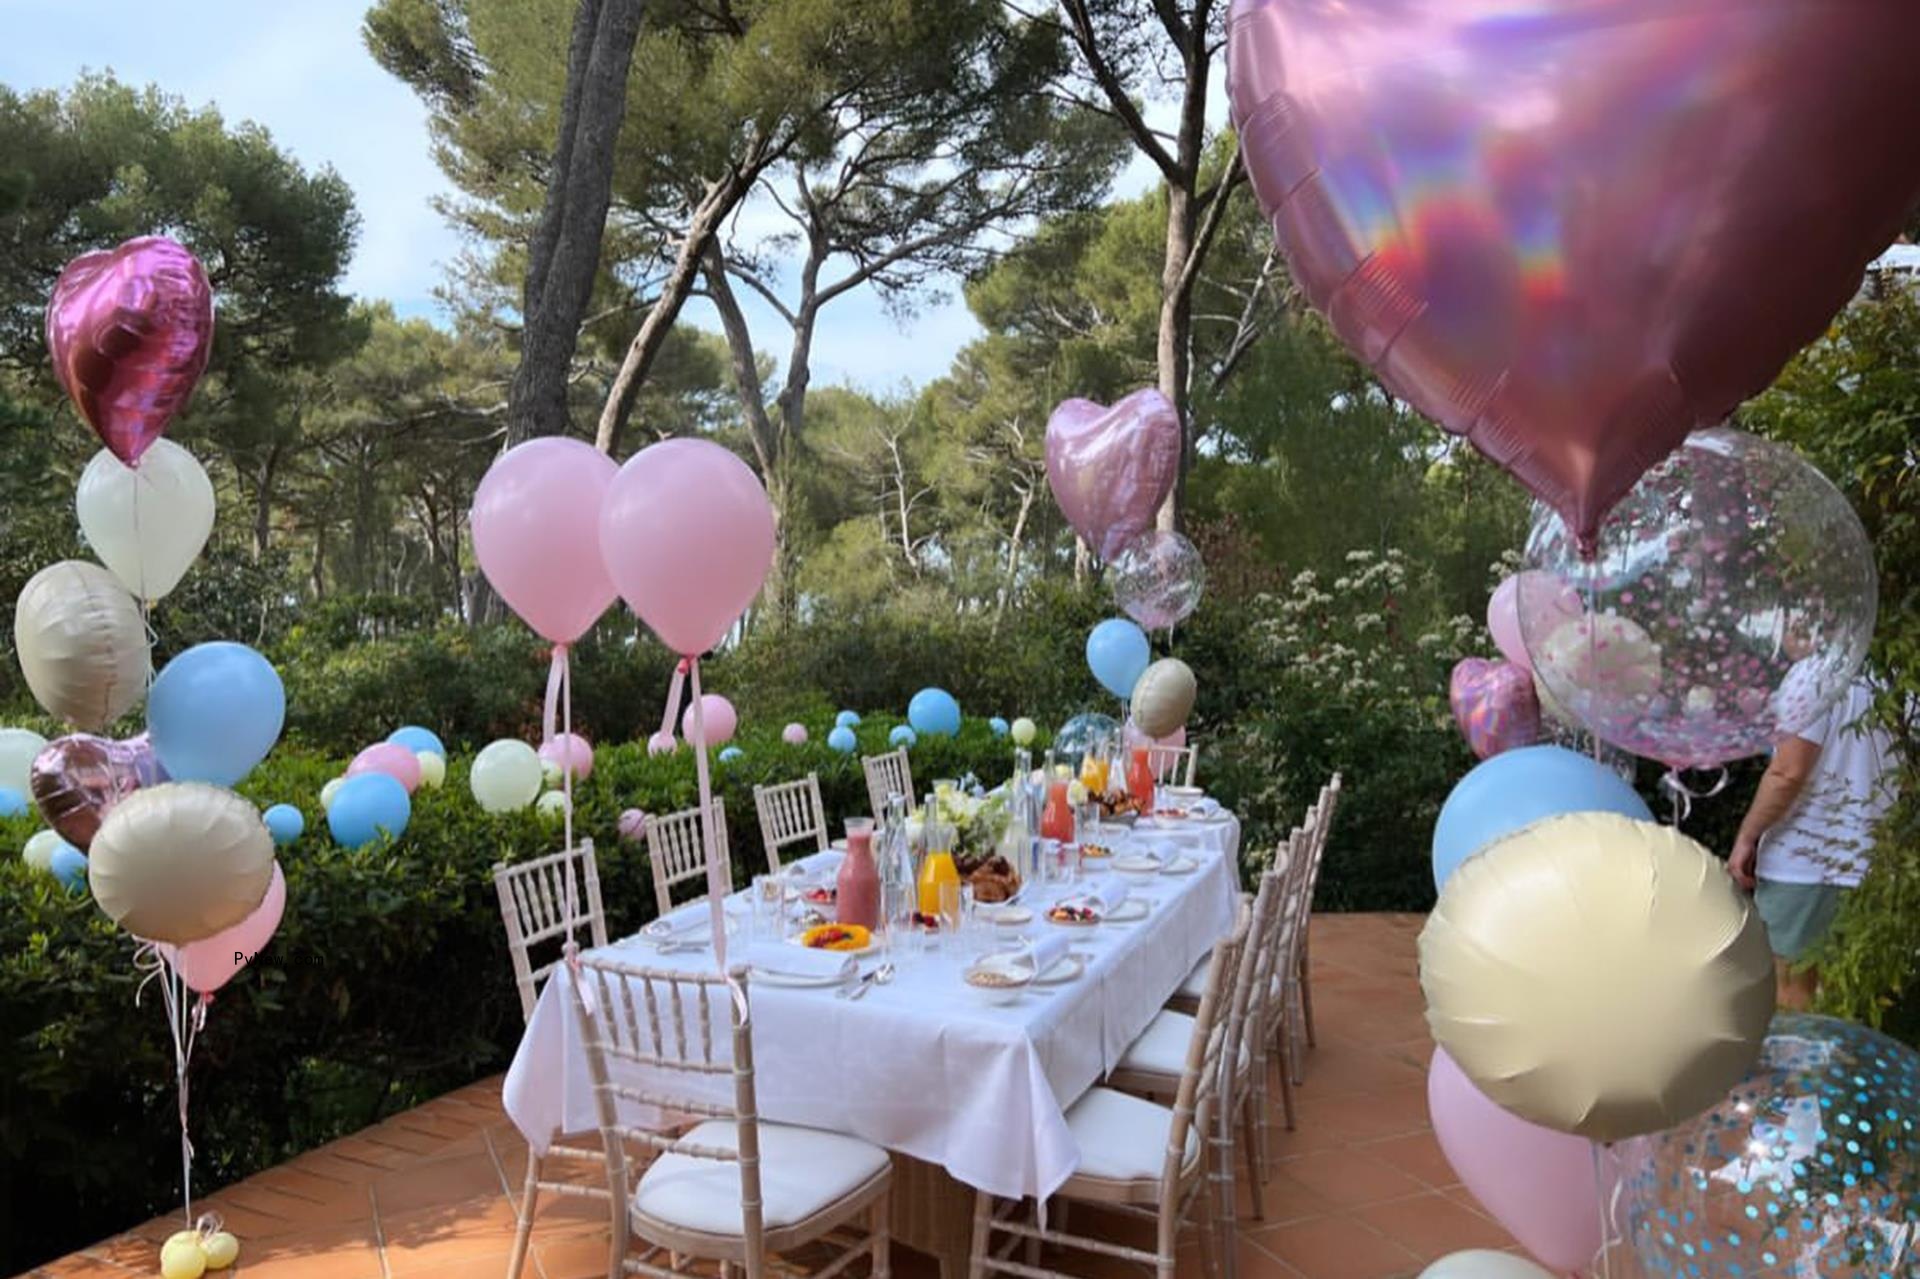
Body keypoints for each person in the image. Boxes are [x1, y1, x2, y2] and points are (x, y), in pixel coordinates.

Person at [1730, 674, 1900, 1009]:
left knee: (1788, 995)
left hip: (1802, 864)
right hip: (1874, 865)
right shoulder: (1895, 676)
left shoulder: (1813, 676)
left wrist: (1747, 837)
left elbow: (1787, 773)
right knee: (1852, 1001)